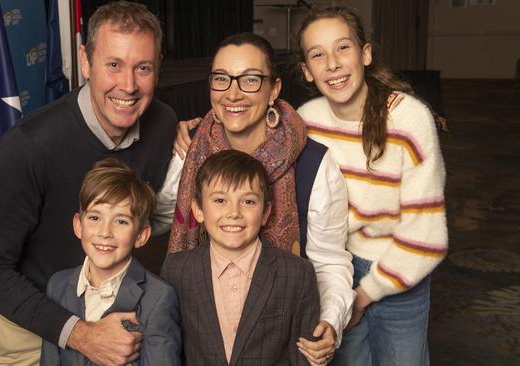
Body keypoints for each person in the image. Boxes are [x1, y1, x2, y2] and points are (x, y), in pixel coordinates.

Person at [0, 2, 180, 365]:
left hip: (102, 311)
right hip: (21, 324)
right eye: (113, 65)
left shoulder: (162, 124)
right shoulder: (28, 147)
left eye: (143, 68)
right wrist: (80, 334)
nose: (128, 85)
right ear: (85, 60)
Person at [171, 32, 353, 365]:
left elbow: (329, 261)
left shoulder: (314, 164)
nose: (233, 94)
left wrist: (330, 320)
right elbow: (157, 214)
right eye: (221, 79)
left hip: (278, 333)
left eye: (251, 79)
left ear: (274, 89)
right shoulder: (189, 149)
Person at [296, 5, 448, 366]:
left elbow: (426, 236)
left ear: (365, 54)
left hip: (399, 274)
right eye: (318, 55)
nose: (332, 63)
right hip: (334, 270)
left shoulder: (409, 119)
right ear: (306, 71)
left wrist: (362, 296)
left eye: (343, 48)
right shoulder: (306, 122)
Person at [162, 149, 320, 365]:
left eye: (248, 202)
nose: (234, 212)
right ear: (198, 210)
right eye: (220, 200)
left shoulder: (297, 274)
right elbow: (168, 350)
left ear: (265, 213)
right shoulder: (177, 270)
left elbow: (305, 358)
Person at [40, 158, 181, 366]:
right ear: (78, 225)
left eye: (121, 221)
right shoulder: (57, 285)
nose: (105, 232)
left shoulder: (158, 298)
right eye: (95, 218)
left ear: (141, 235)